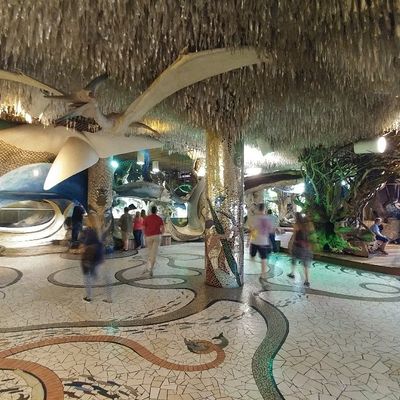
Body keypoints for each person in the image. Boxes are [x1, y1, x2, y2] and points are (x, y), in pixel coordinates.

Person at [81, 213, 111, 302]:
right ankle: (109, 297)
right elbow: (103, 242)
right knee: (102, 277)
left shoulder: (89, 231)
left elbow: (85, 245)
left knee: (87, 277)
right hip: (99, 257)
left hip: (90, 258)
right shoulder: (100, 230)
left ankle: (89, 296)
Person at [248, 203, 273, 279]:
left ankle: (254, 268)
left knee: (252, 256)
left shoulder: (254, 218)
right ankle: (263, 274)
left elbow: (252, 230)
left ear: (258, 209)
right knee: (263, 258)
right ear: (264, 209)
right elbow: (270, 230)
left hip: (255, 241)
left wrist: (248, 240)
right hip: (264, 242)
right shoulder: (268, 218)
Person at [287, 213, 312, 287]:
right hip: (306, 247)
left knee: (294, 260)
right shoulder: (307, 225)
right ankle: (307, 280)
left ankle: (292, 273)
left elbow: (294, 236)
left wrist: (290, 244)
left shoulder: (296, 225)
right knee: (305, 265)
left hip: (297, 246)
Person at [143, 205, 164, 276]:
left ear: (151, 211)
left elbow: (143, 228)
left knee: (150, 251)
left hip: (148, 236)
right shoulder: (159, 218)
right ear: (156, 211)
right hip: (157, 236)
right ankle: (151, 269)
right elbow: (162, 228)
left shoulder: (147, 218)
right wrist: (161, 234)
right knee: (154, 252)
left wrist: (145, 234)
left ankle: (148, 267)